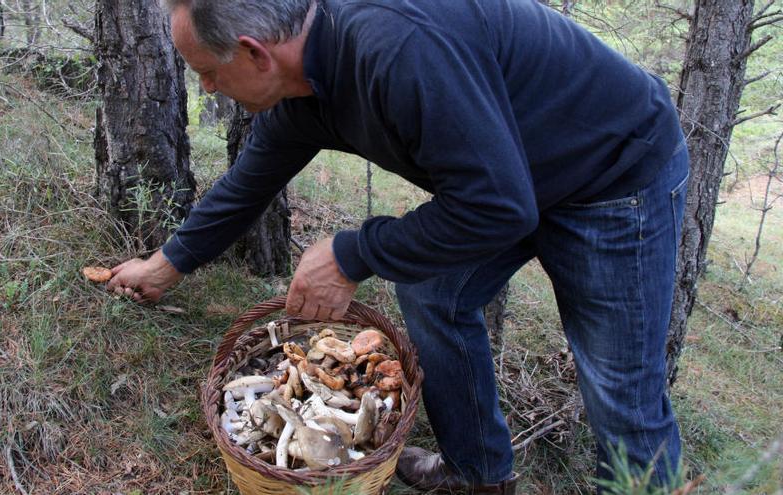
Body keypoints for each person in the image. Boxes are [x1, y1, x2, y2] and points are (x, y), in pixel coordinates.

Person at [108, 0, 688, 492]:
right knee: (431, 290)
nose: (206, 86)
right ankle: (477, 473)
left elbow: (496, 207)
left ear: (255, 51)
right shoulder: (302, 87)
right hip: (506, 177)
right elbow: (247, 184)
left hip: (614, 176)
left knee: (619, 390)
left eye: (207, 71)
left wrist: (352, 253)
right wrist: (166, 265)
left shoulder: (396, 49)